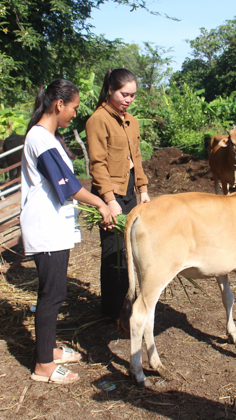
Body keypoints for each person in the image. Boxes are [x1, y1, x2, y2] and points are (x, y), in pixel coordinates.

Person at [21, 79, 114, 384]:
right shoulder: (41, 139)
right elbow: (68, 186)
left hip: (53, 227)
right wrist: (100, 203)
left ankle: (48, 350)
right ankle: (43, 366)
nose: (75, 113)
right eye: (73, 107)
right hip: (45, 228)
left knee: (53, 292)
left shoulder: (46, 137)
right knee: (52, 295)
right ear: (59, 104)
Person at [85, 69, 150, 321]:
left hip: (129, 191)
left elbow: (137, 158)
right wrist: (110, 200)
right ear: (110, 89)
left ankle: (129, 303)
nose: (129, 99)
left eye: (132, 95)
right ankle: (112, 311)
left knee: (131, 249)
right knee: (113, 250)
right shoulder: (98, 120)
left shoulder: (131, 121)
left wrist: (143, 190)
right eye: (124, 94)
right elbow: (97, 164)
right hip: (109, 194)